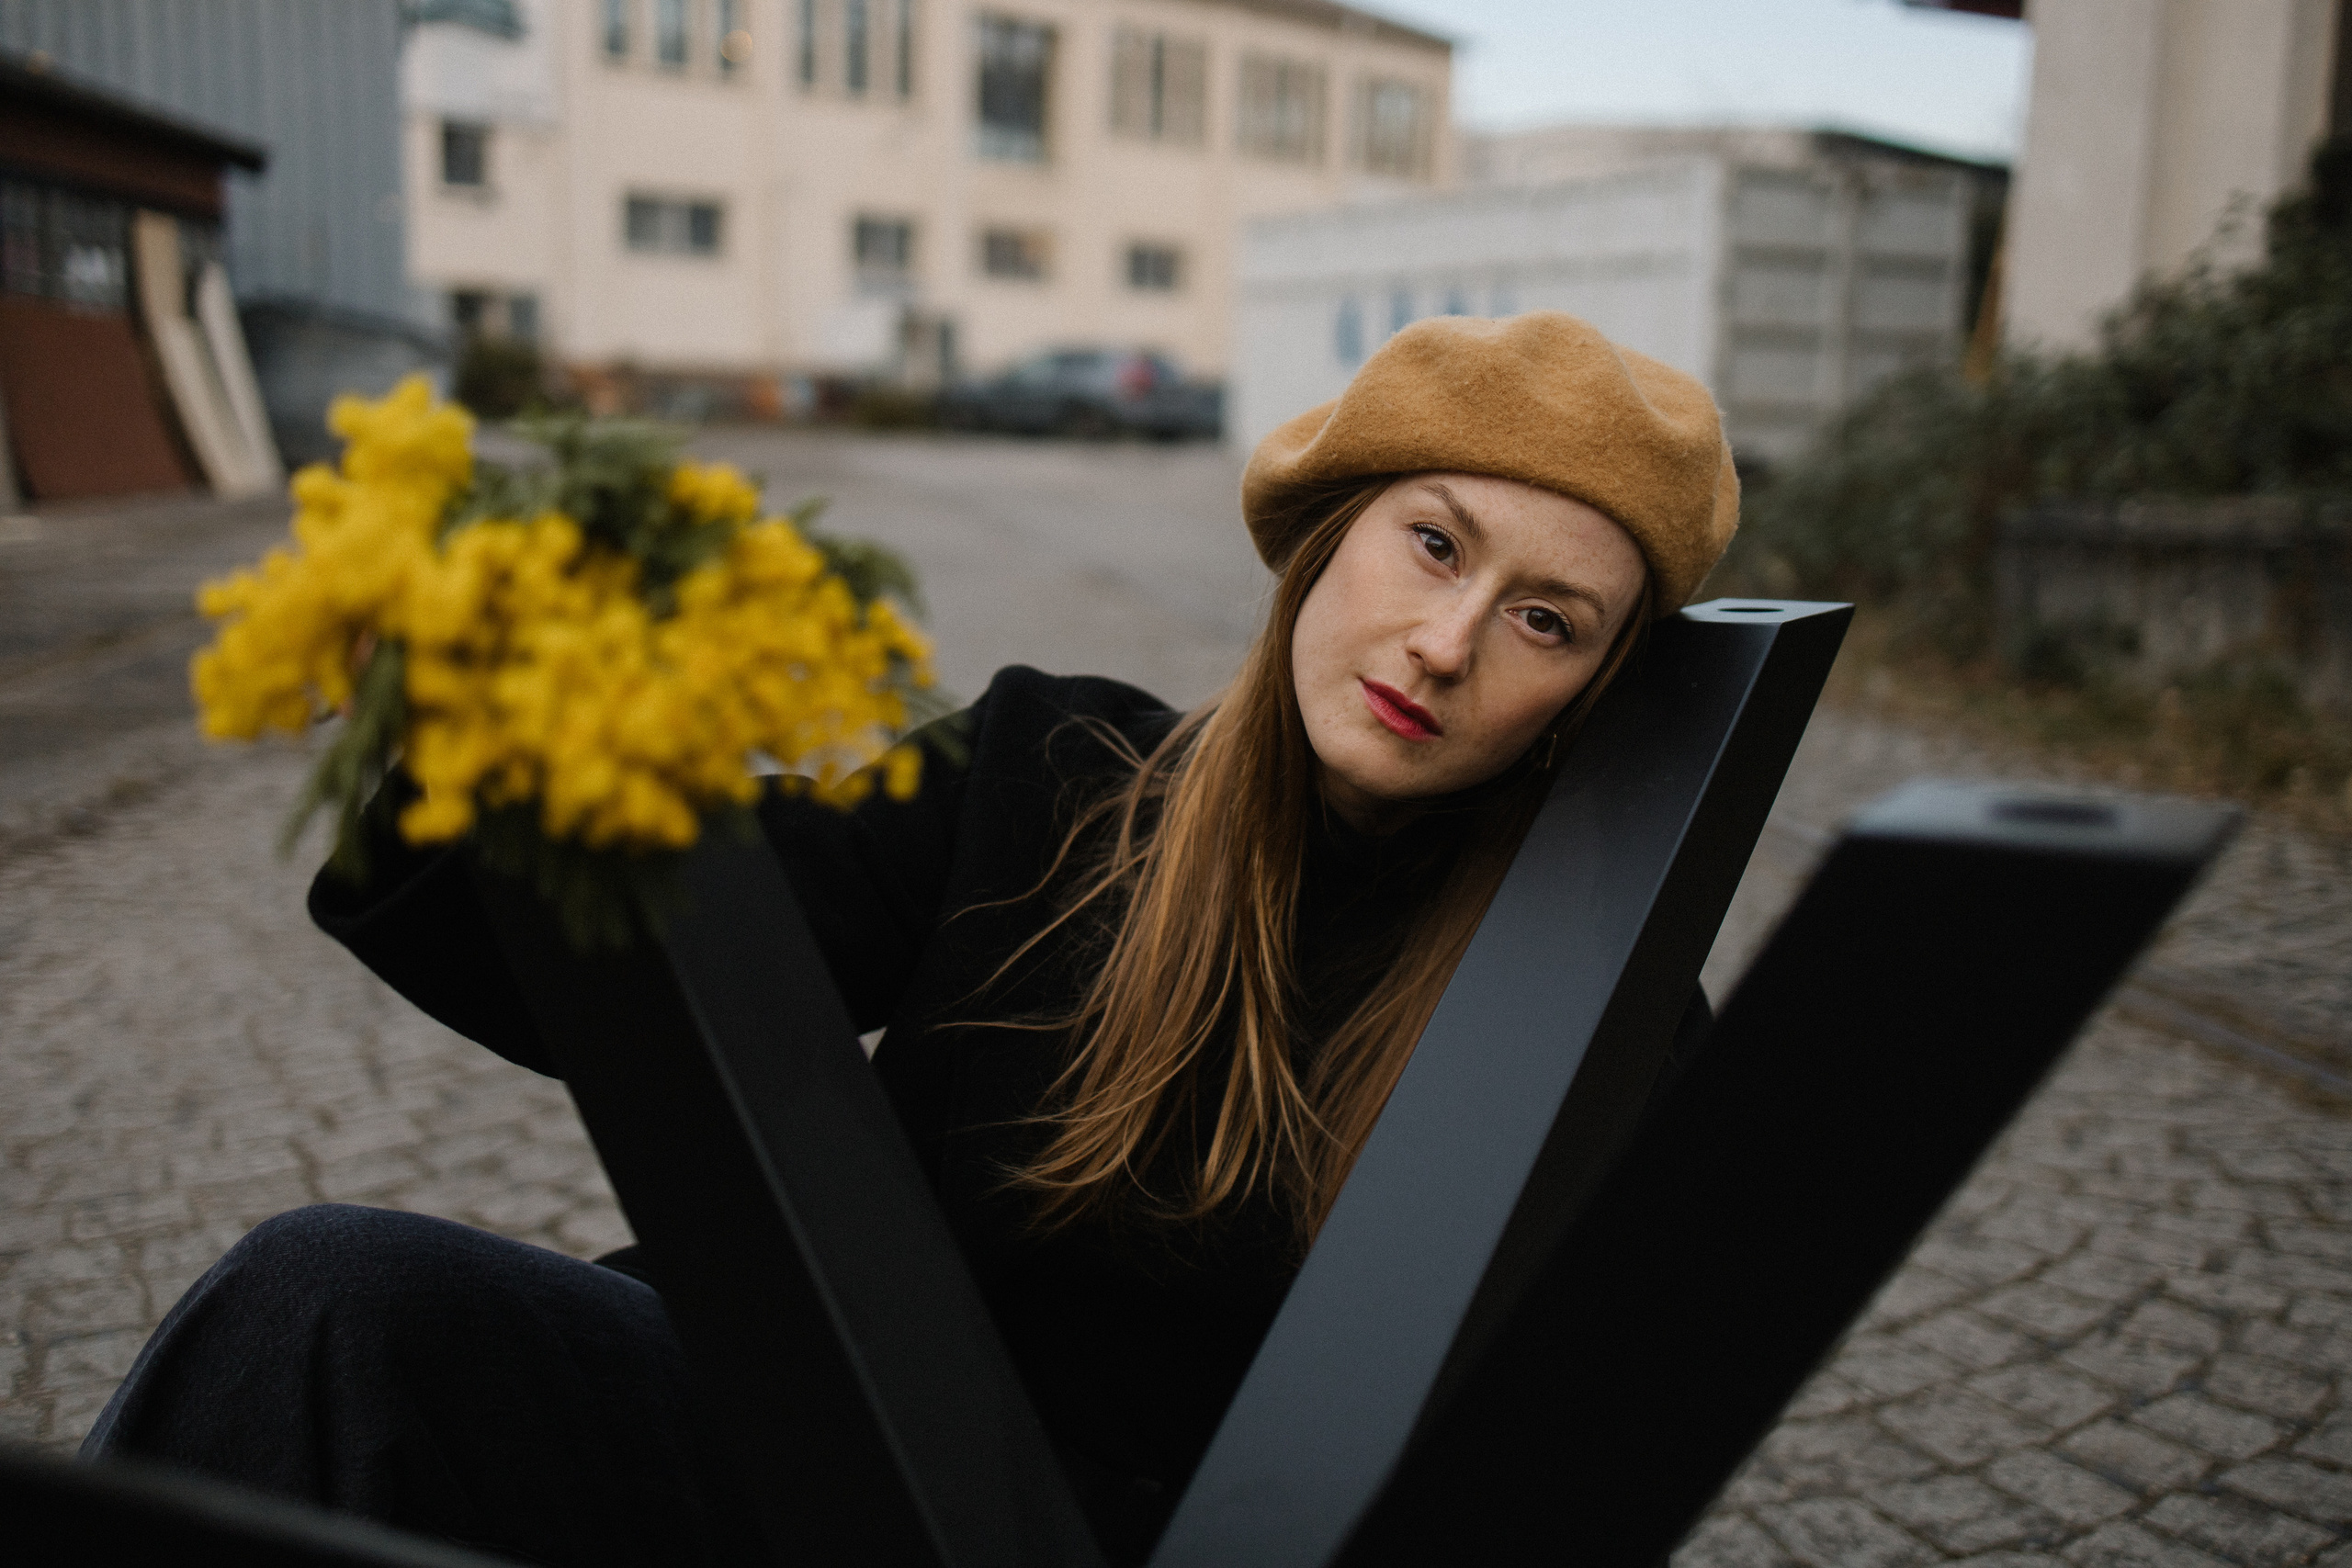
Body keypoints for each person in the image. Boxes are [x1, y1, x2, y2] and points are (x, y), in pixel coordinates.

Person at [83, 312, 1740, 1565]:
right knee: (330, 1301)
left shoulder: (1601, 1015)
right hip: (811, 1448)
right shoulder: (1051, 770)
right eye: (1434, 543)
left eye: (1545, 620)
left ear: (1589, 697)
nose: (1446, 642)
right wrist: (491, 725)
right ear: (1332, 537)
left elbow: (1573, 1468)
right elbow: (701, 940)